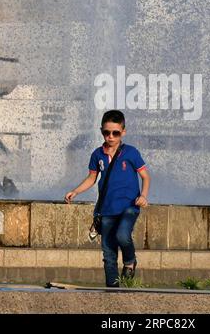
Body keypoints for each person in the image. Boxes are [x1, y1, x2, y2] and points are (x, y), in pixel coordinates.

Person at [64, 109, 150, 287]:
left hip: (129, 206)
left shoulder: (131, 153)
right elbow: (91, 178)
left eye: (115, 133)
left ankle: (129, 261)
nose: (110, 136)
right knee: (108, 253)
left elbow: (145, 177)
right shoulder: (97, 155)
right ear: (101, 130)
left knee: (123, 235)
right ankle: (112, 289)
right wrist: (76, 191)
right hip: (107, 209)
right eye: (106, 132)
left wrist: (143, 195)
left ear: (123, 132)